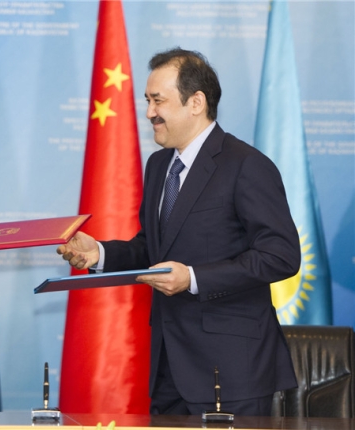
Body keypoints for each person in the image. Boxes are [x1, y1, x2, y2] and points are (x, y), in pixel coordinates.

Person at [57, 48, 299, 416]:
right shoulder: (158, 166)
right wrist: (100, 254)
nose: (149, 112)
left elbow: (280, 256)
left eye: (158, 100)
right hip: (169, 370)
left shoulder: (246, 165)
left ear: (196, 103)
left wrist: (193, 278)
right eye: (147, 100)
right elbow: (154, 248)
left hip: (232, 372)